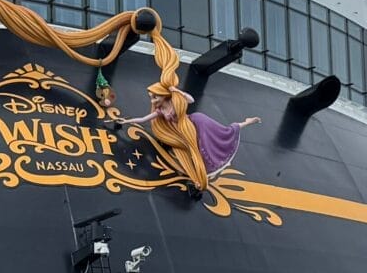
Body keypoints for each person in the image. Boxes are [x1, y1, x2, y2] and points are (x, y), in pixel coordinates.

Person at [110, 77, 257, 190]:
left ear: (163, 95)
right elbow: (143, 119)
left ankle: (246, 122)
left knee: (220, 135)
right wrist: (125, 121)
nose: (152, 100)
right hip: (183, 132)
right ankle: (197, 175)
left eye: (155, 97)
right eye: (151, 97)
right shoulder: (160, 111)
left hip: (196, 123)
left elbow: (190, 100)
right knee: (194, 151)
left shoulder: (175, 102)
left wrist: (176, 90)